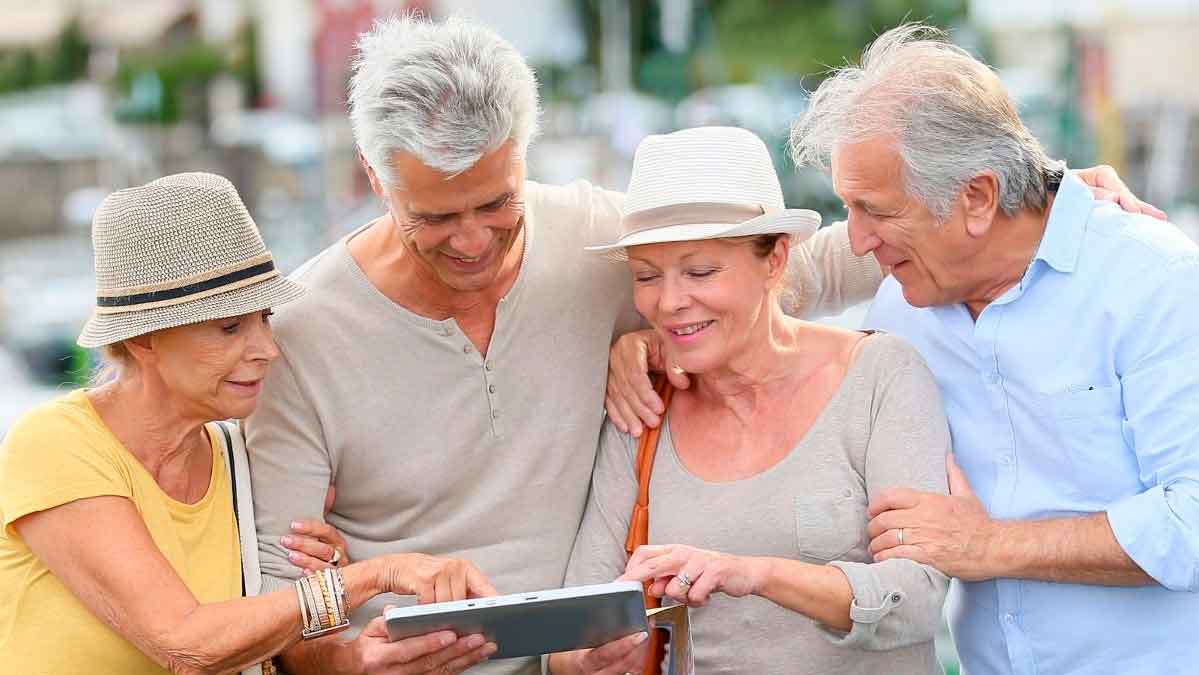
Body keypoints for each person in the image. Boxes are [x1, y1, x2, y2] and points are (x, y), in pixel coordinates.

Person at [249, 14, 1153, 675]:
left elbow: (795, 264)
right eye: (435, 217)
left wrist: (1038, 198)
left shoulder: (594, 241)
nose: (474, 240)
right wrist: (349, 661)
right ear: (375, 181)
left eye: (497, 204)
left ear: (524, 158)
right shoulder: (303, 331)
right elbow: (277, 597)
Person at [784, 24, 1199, 674]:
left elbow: (1193, 519)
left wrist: (987, 545)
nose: (857, 241)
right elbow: (755, 299)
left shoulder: (1155, 280)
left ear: (978, 197)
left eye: (876, 211)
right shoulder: (900, 302)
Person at [0, 173, 495, 675]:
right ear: (143, 340)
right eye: (230, 327)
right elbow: (186, 645)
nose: (268, 349)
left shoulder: (240, 455)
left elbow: (279, 648)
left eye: (264, 318)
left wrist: (350, 649)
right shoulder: (54, 445)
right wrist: (371, 577)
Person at [547, 126, 951, 675]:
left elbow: (918, 600)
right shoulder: (642, 406)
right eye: (646, 276)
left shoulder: (881, 374)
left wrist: (755, 575)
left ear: (776, 260)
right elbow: (572, 634)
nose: (668, 302)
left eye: (700, 271)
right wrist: (587, 657)